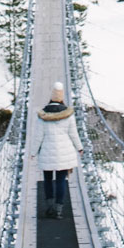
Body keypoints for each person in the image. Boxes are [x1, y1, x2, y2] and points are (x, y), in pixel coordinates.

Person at [33, 80, 82, 218]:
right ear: (62, 100)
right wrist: (80, 148)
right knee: (61, 180)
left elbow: (38, 137)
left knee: (48, 180)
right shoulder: (68, 115)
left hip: (46, 153)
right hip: (63, 154)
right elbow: (73, 134)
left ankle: (49, 208)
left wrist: (32, 152)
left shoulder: (43, 115)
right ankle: (59, 210)